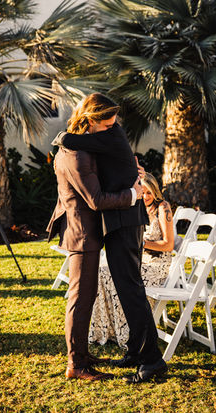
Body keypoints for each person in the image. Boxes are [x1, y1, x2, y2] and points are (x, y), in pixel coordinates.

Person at [56, 93, 168, 384]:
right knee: (127, 287)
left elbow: (69, 140)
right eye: (105, 122)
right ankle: (135, 351)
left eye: (112, 122)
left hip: (126, 219)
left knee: (130, 289)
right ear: (91, 119)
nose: (112, 126)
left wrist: (134, 190)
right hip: (118, 221)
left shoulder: (110, 134)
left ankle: (152, 361)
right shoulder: (98, 137)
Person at [89, 172, 174, 348]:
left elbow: (168, 244)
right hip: (138, 260)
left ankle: (126, 332)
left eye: (149, 192)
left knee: (118, 275)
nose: (146, 196)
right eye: (143, 192)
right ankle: (105, 329)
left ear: (155, 191)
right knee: (102, 272)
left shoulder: (163, 207)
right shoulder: (137, 207)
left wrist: (143, 244)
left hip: (156, 266)